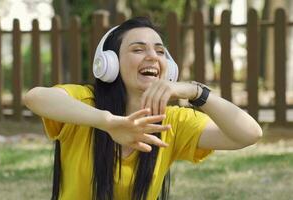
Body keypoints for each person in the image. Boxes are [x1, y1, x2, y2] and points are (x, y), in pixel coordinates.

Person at [24, 17, 262, 200]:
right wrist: (108, 122)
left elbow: (249, 134)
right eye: (138, 50)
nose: (152, 57)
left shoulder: (172, 121)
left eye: (159, 51)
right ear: (110, 64)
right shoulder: (86, 102)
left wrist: (195, 92)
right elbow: (35, 97)